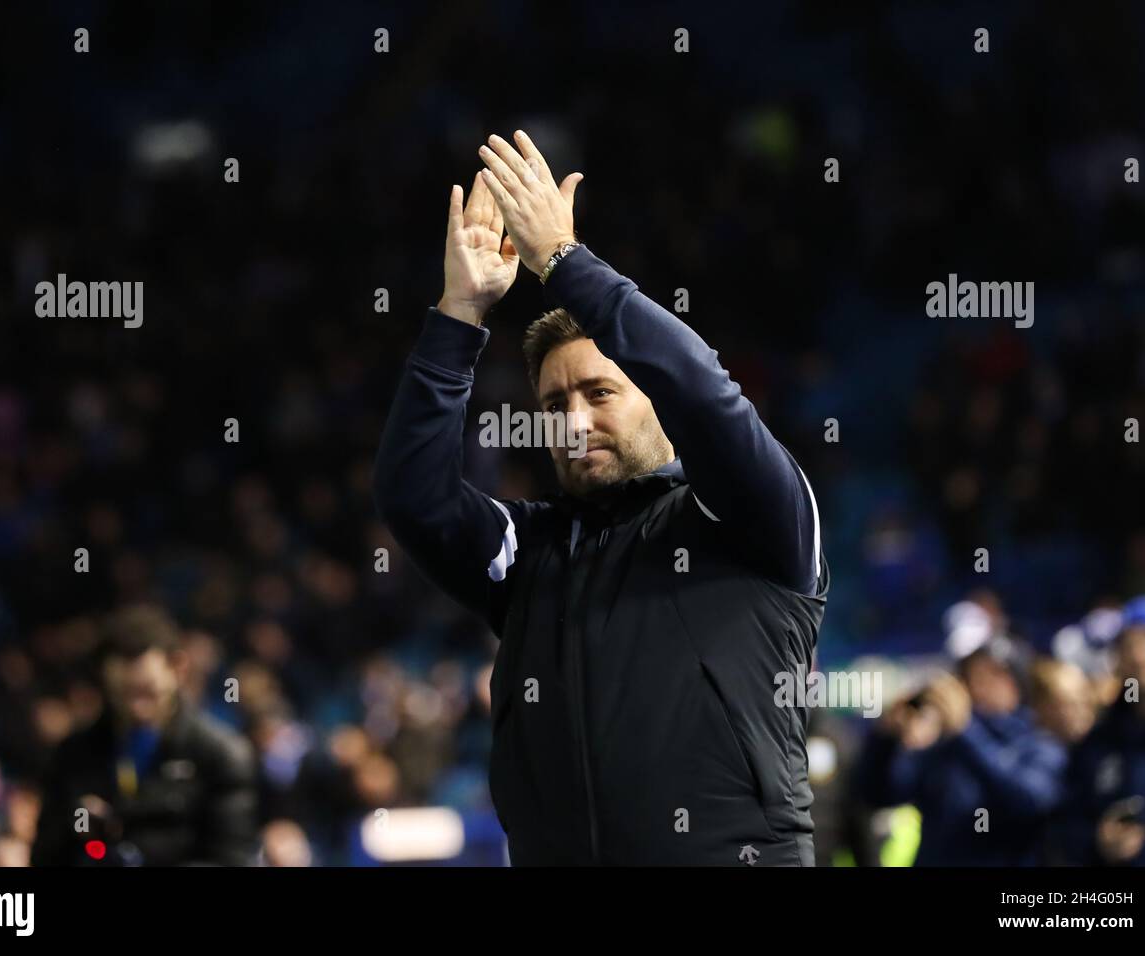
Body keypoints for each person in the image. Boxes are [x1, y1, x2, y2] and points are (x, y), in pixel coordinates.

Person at [373, 131, 827, 865]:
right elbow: (410, 496)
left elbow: (707, 396)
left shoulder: (748, 517)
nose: (574, 421)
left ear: (654, 397)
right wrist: (459, 313)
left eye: (600, 392)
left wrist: (564, 262)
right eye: (554, 404)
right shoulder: (531, 551)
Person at [31, 605, 258, 865]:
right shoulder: (73, 755)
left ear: (178, 668)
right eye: (124, 693)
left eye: (148, 692)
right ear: (105, 677)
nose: (136, 707)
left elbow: (232, 859)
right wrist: (76, 829)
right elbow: (44, 857)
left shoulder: (221, 754)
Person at [857, 636, 1065, 865]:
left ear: (1018, 684)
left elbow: (1029, 802)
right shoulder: (945, 745)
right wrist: (885, 739)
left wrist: (965, 730)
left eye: (995, 674)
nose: (980, 685)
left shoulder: (1039, 744)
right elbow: (878, 794)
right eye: (972, 675)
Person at [1056, 596, 1145, 865]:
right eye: (1127, 644)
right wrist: (1098, 842)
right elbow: (1067, 827)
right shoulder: (1099, 742)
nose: (1138, 654)